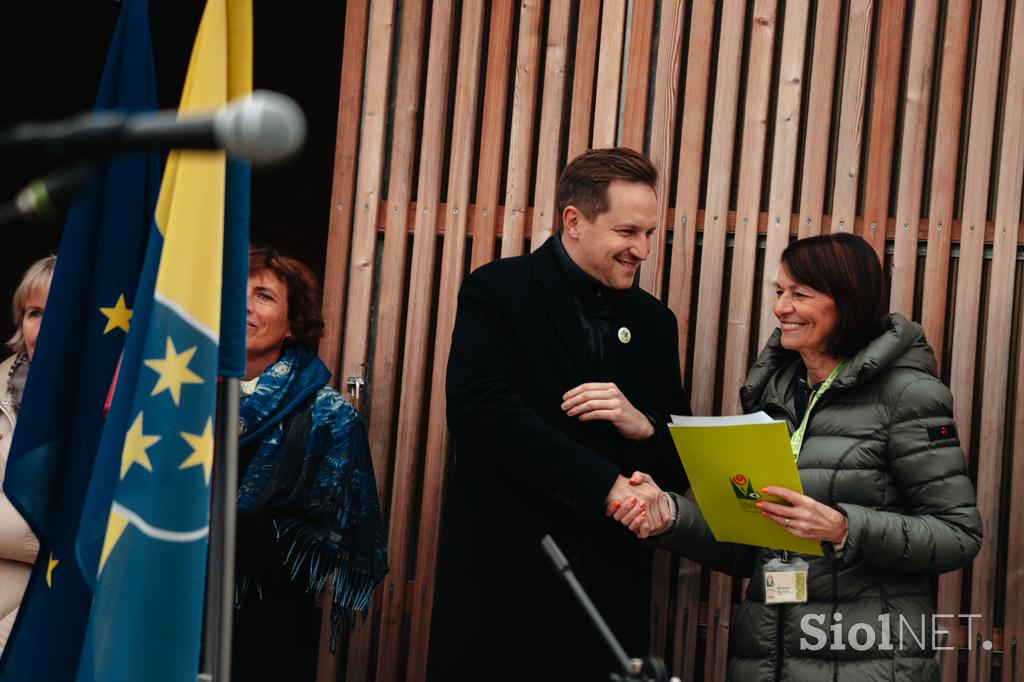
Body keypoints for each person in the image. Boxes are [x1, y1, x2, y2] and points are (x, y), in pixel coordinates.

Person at [612, 233, 982, 681]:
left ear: (848, 303)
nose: (781, 308)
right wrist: (669, 514)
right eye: (779, 291)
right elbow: (752, 544)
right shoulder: (776, 393)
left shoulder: (908, 395)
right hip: (766, 660)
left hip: (868, 662)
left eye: (800, 294)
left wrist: (845, 528)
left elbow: (958, 535)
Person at [428, 148, 691, 681]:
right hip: (508, 579)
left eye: (649, 234)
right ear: (573, 221)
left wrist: (643, 426)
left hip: (610, 595)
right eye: (627, 232)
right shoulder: (497, 290)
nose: (641, 249)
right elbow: (482, 413)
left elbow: (680, 462)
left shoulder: (657, 322)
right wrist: (606, 485)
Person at [231, 247, 388, 681]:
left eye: (263, 296)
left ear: (292, 324)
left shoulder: (329, 415)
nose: (244, 304)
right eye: (235, 292)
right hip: (170, 607)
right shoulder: (176, 396)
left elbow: (324, 540)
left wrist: (221, 524)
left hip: (266, 621)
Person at [0, 255, 54, 653]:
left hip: (52, 607)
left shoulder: (119, 403)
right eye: (35, 313)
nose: (47, 326)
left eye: (63, 310)